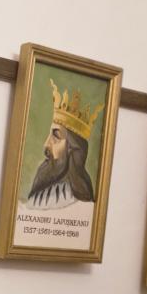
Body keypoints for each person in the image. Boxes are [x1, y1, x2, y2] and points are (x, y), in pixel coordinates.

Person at [26, 80, 102, 209]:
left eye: (56, 136)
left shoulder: (79, 204)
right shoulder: (37, 195)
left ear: (72, 148)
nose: (46, 144)